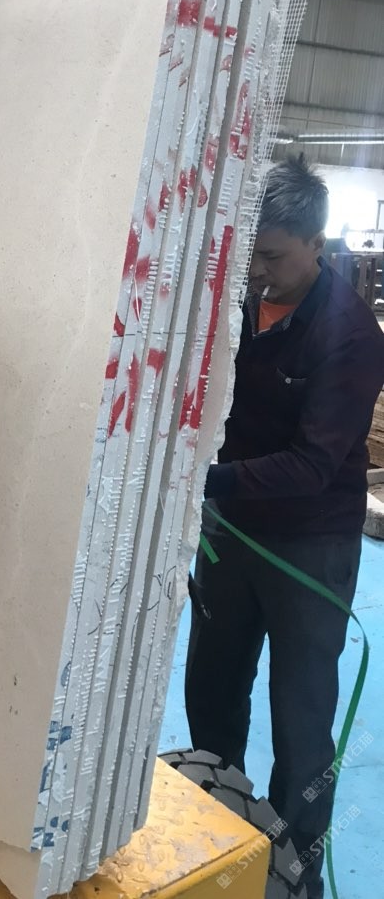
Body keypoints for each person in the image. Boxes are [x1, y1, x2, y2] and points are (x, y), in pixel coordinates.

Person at [185, 155, 384, 899]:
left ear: (314, 243)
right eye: (250, 254)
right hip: (230, 535)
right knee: (211, 690)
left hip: (309, 543)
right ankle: (215, 843)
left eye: (272, 256)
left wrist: (207, 481)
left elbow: (311, 463)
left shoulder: (350, 334)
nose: (258, 271)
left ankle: (294, 877)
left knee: (301, 721)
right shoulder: (235, 307)